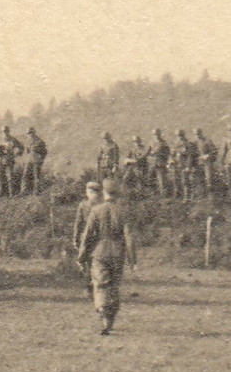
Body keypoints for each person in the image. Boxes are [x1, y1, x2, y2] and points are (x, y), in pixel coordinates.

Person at [77, 177, 135, 336]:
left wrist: (81, 255)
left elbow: (87, 235)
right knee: (114, 286)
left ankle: (103, 313)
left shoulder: (96, 210)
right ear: (117, 193)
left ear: (103, 192)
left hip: (99, 252)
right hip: (118, 253)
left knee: (101, 284)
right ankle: (110, 319)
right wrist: (132, 259)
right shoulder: (123, 210)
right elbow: (129, 236)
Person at [72, 180, 102, 298]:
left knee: (87, 264)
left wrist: (75, 238)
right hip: (99, 238)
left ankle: (88, 289)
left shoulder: (84, 205)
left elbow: (78, 224)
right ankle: (96, 288)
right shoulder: (102, 204)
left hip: (87, 238)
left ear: (89, 192)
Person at [22, 127, 48, 194]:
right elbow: (27, 151)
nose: (30, 134)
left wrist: (41, 159)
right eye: (28, 133)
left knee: (36, 176)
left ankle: (36, 191)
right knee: (25, 175)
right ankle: (24, 191)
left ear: (34, 133)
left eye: (31, 133)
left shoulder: (39, 141)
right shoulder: (27, 141)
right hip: (28, 160)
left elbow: (45, 151)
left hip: (36, 161)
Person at [147, 128, 171, 198]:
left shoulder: (164, 143)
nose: (156, 136)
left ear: (160, 134)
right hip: (152, 164)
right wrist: (151, 154)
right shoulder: (151, 143)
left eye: (157, 134)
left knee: (162, 181)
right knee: (150, 179)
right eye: (154, 134)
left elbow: (168, 153)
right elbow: (147, 153)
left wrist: (164, 161)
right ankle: (153, 195)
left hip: (160, 164)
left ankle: (164, 197)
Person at [194, 128, 217, 198]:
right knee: (200, 180)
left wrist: (208, 155)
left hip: (207, 163)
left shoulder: (207, 141)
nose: (197, 135)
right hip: (198, 163)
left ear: (201, 133)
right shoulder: (195, 143)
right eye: (195, 134)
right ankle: (202, 195)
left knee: (209, 179)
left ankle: (211, 196)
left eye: (198, 134)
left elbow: (214, 151)